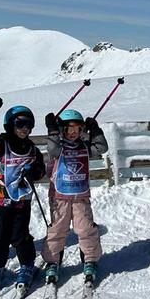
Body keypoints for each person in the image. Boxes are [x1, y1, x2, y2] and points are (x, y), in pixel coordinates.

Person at [0, 97, 45, 289]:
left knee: (20, 235)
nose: (25, 128)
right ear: (10, 125)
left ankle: (26, 264)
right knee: (0, 235)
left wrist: (33, 172)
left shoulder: (32, 149)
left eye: (28, 125)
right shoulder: (1, 145)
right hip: (1, 199)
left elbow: (40, 170)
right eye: (20, 124)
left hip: (21, 201)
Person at [41, 109, 108, 284]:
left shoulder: (84, 147)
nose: (73, 133)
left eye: (77, 129)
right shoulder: (58, 148)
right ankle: (52, 261)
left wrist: (96, 130)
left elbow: (101, 147)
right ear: (62, 130)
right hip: (59, 196)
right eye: (68, 129)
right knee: (57, 230)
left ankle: (90, 259)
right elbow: (52, 149)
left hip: (80, 196)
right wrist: (53, 131)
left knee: (86, 229)